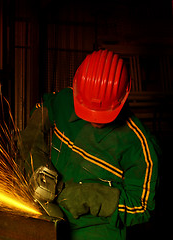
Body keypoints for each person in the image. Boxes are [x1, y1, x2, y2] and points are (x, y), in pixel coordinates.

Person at [17, 49, 159, 240]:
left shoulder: (139, 146)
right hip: (48, 218)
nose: (94, 119)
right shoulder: (65, 100)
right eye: (87, 110)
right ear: (76, 89)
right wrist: (35, 157)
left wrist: (91, 197)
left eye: (102, 114)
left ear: (124, 94)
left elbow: (143, 208)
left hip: (95, 232)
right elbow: (45, 107)